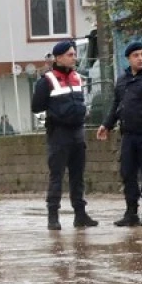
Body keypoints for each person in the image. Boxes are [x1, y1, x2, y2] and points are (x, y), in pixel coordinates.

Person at [97, 41, 142, 227]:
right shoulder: (123, 79)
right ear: (128, 58)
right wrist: (106, 124)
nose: (140, 58)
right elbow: (116, 104)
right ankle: (131, 212)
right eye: (136, 55)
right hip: (129, 135)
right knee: (127, 173)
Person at [31, 40, 98, 230]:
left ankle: (80, 215)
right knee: (57, 176)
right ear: (58, 58)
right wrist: (51, 120)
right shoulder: (47, 80)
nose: (74, 58)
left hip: (77, 133)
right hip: (59, 135)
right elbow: (36, 107)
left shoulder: (77, 77)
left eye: (74, 54)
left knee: (78, 176)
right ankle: (53, 216)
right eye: (70, 55)